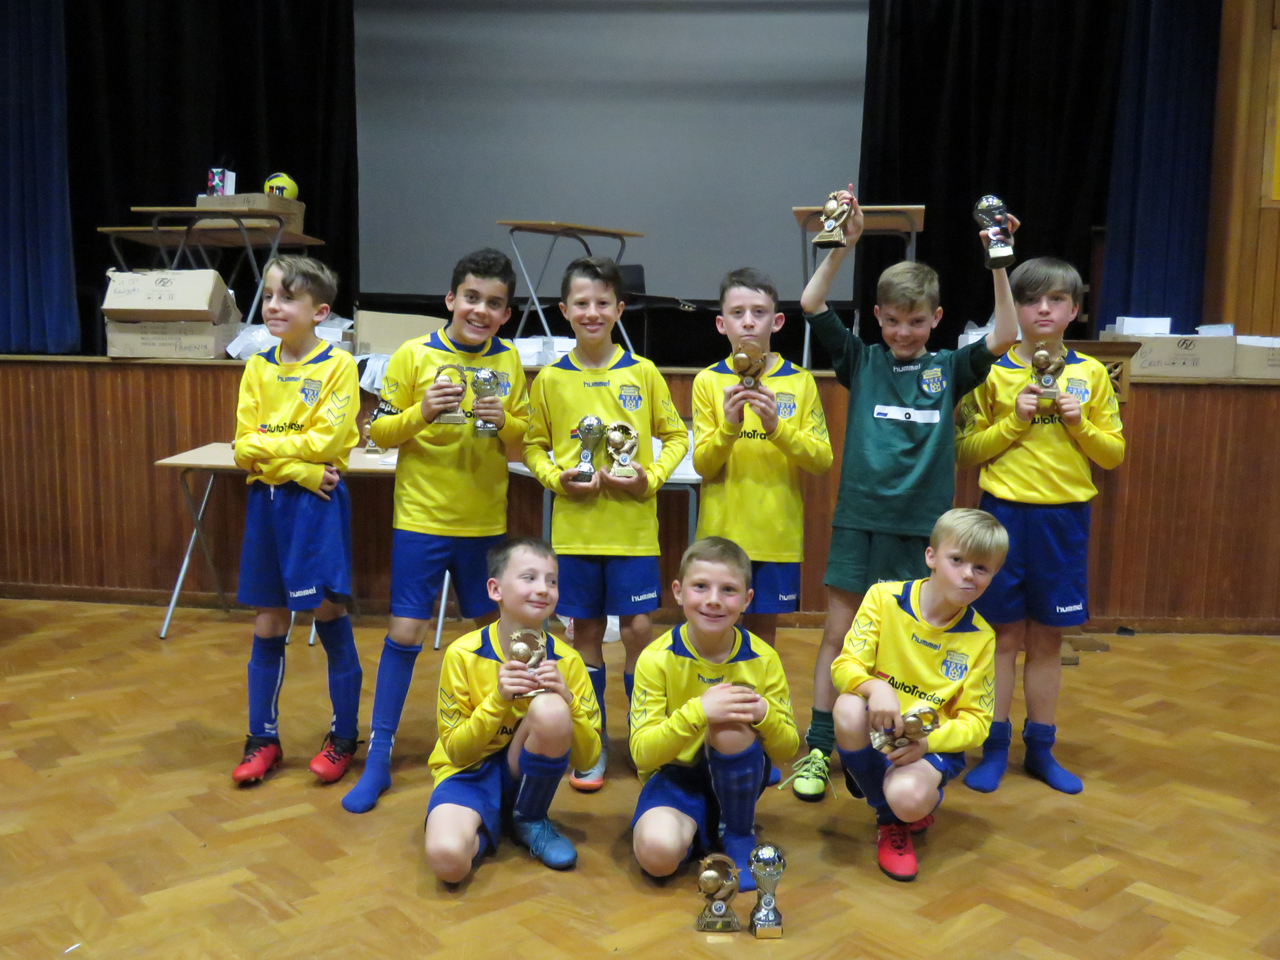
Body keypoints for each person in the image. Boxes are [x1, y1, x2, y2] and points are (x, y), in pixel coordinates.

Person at [786, 187, 1020, 803]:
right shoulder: (861, 360)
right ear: (877, 317)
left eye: (916, 321)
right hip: (859, 521)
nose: (903, 331)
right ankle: (820, 748)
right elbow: (810, 303)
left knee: (904, 643)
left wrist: (998, 261)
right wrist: (843, 245)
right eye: (892, 320)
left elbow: (1006, 333)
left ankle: (896, 747)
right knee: (839, 636)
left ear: (936, 319)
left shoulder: (949, 368)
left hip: (923, 531)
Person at [343, 248, 531, 813]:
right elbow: (378, 432)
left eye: (494, 303)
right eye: (471, 298)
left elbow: (523, 438)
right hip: (422, 520)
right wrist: (421, 412)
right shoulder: (413, 354)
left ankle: (494, 747)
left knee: (493, 638)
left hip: (484, 524)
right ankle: (378, 759)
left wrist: (506, 422)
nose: (480, 310)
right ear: (451, 299)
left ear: (506, 313)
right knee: (405, 633)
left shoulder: (510, 360)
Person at [957, 257, 1125, 795]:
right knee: (1001, 636)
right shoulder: (992, 370)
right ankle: (993, 748)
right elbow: (966, 451)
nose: (1043, 310)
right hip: (1002, 516)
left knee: (1048, 638)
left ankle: (1041, 750)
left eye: (1056, 300)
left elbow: (1113, 454)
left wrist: (1080, 425)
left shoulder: (1092, 374)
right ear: (1015, 309)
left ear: (1075, 310)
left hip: (1063, 519)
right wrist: (1015, 421)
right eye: (1031, 300)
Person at [524, 256, 688, 791]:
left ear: (619, 309)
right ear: (564, 310)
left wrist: (649, 478)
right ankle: (592, 742)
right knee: (586, 633)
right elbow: (533, 445)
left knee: (639, 630)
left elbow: (676, 436)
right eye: (581, 303)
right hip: (575, 533)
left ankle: (644, 735)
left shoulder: (643, 372)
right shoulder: (550, 379)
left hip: (632, 531)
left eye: (602, 303)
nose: (591, 312)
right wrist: (555, 478)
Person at [230, 255, 362, 786]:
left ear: (320, 312)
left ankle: (345, 735)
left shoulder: (339, 366)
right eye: (268, 296)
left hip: (317, 507)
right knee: (268, 621)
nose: (273, 306)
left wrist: (277, 454)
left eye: (287, 297)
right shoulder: (257, 367)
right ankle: (262, 738)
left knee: (327, 612)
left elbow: (327, 440)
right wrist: (301, 470)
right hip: (271, 502)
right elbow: (243, 447)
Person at [832, 508, 1008, 881]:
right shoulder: (884, 598)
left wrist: (927, 743)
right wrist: (875, 686)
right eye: (956, 560)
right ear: (931, 556)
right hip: (879, 723)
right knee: (847, 708)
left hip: (929, 740)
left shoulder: (981, 638)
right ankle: (889, 820)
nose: (967, 575)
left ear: (993, 575)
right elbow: (845, 665)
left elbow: (978, 723)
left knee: (909, 798)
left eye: (981, 568)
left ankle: (907, 802)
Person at [423, 538, 602, 881]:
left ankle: (529, 817)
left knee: (551, 709)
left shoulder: (568, 661)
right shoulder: (463, 654)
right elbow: (457, 752)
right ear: (495, 589)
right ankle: (491, 822)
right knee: (448, 861)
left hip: (522, 769)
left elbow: (587, 760)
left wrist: (568, 700)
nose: (543, 589)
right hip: (467, 773)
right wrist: (498, 699)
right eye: (529, 578)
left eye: (552, 580)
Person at [629, 537, 798, 890]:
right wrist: (699, 711)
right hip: (676, 777)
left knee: (730, 722)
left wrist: (763, 714)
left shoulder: (764, 658)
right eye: (701, 586)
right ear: (678, 592)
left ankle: (738, 831)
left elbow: (787, 750)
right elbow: (642, 753)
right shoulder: (655, 658)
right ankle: (706, 822)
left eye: (729, 590)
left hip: (738, 765)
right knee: (656, 856)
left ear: (747, 599)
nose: (714, 599)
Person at [692, 267, 833, 648]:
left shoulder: (800, 381)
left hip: (775, 536)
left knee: (762, 639)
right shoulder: (708, 381)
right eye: (737, 313)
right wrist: (729, 425)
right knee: (715, 632)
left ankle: (756, 692)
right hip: (721, 537)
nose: (749, 322)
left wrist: (776, 427)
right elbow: (703, 465)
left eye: (759, 312)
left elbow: (821, 461)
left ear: (778, 321)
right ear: (721, 324)